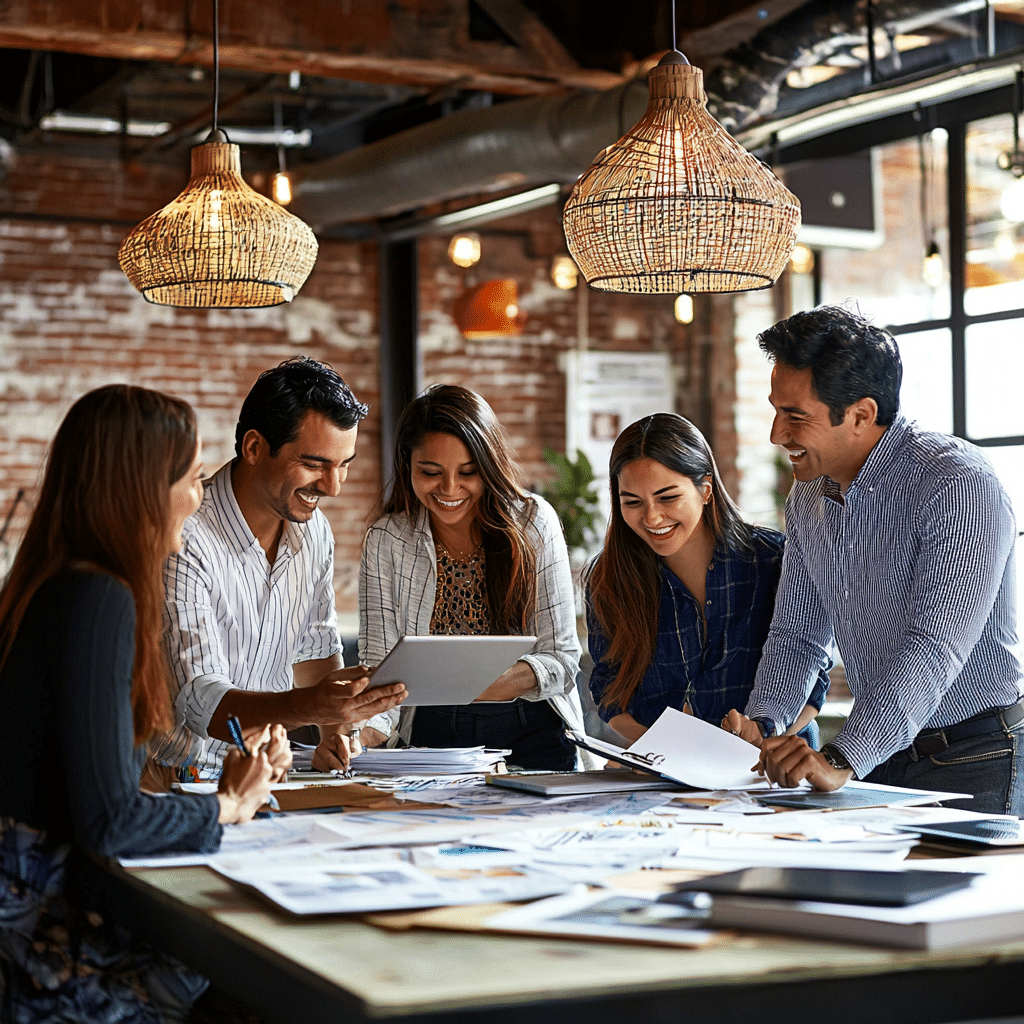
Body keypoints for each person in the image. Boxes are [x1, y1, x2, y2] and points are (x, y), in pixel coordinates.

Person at [0, 384, 277, 1023]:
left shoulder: (51, 586)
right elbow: (109, 821)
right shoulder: (99, 599)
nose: (200, 496)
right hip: (42, 946)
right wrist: (229, 806)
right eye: (192, 478)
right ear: (143, 488)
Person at [724, 305, 1024, 815]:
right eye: (776, 410)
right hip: (881, 756)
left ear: (861, 415)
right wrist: (765, 722)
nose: (777, 434)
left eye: (795, 416)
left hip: (976, 755)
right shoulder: (808, 499)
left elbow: (934, 645)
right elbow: (798, 633)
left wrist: (844, 755)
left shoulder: (956, 484)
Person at [155, 357, 406, 778]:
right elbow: (198, 699)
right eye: (314, 464)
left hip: (266, 776)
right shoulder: (185, 535)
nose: (333, 486)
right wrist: (311, 707)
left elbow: (314, 652)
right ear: (255, 448)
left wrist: (332, 733)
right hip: (179, 781)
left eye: (343, 464)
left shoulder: (314, 533)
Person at [359, 384, 589, 770]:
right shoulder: (387, 540)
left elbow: (563, 660)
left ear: (490, 465)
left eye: (468, 472)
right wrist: (363, 734)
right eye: (430, 472)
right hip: (432, 732)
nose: (449, 489)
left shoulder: (533, 524)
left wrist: (483, 685)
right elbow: (380, 670)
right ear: (406, 465)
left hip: (534, 728)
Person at [585, 413, 827, 745]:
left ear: (706, 490)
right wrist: (660, 751)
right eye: (633, 503)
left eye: (668, 497)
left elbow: (813, 680)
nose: (652, 517)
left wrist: (760, 738)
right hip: (665, 767)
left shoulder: (773, 560)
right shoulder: (609, 578)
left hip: (773, 760)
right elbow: (608, 688)